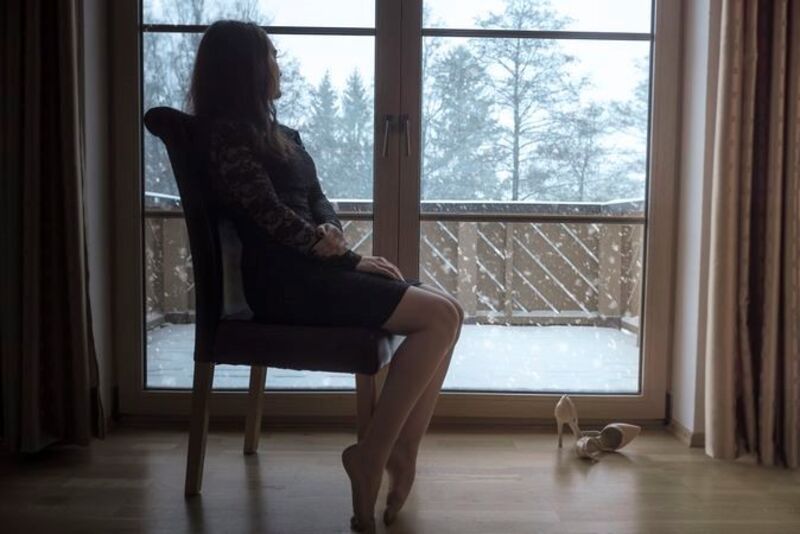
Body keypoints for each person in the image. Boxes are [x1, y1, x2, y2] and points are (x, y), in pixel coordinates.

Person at [188, 20, 464, 532]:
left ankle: (397, 451)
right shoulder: (225, 136)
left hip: (314, 272)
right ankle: (378, 454)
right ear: (244, 68)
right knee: (439, 318)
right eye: (270, 55)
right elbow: (267, 214)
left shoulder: (283, 136)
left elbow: (318, 202)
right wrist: (347, 258)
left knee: (450, 312)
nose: (278, 64)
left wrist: (334, 235)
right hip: (283, 284)